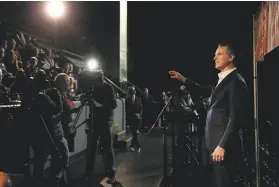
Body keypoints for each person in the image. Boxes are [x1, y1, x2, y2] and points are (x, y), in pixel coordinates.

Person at [169, 42, 247, 187]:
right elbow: (205, 92)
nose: (214, 57)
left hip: (224, 147)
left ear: (231, 57)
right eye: (215, 54)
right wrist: (183, 80)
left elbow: (235, 118)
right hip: (216, 144)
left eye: (219, 54)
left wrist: (222, 145)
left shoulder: (236, 82)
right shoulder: (223, 80)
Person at [126, 86, 142, 153]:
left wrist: (139, 114)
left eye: (134, 90)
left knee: (134, 134)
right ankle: (138, 147)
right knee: (134, 133)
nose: (134, 91)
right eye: (132, 90)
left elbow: (141, 108)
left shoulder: (138, 99)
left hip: (137, 119)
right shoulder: (127, 100)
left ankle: (132, 146)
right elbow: (127, 110)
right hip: (130, 119)